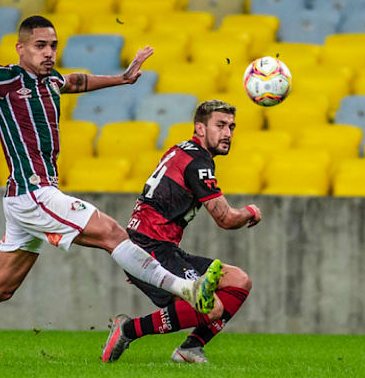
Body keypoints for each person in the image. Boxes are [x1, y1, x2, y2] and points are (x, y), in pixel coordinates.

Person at [0, 15, 223, 362]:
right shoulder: (4, 78)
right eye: (40, 46)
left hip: (23, 199)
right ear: (20, 48)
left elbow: (77, 82)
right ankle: (186, 289)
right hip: (34, 193)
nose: (49, 53)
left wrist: (123, 79)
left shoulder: (50, 82)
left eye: (53, 45)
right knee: (113, 233)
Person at [101, 100, 262, 364]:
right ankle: (127, 330)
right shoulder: (198, 163)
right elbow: (225, 218)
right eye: (220, 125)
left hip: (160, 245)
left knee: (239, 280)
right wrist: (250, 211)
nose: (228, 133)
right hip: (148, 246)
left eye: (231, 127)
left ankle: (189, 349)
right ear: (200, 128)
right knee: (210, 308)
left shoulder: (182, 150)